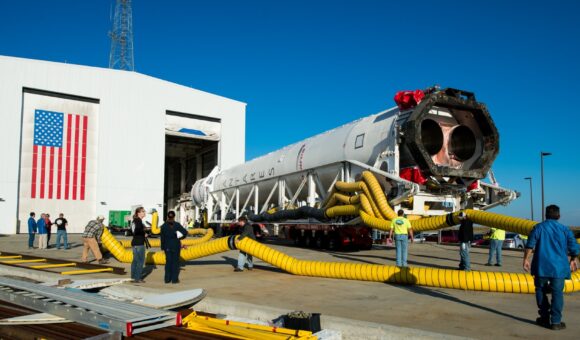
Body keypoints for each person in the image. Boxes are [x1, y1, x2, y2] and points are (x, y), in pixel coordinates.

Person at [523, 205, 579, 330]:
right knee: (557, 293)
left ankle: (543, 318)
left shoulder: (538, 228)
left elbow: (530, 245)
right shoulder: (565, 229)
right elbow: (574, 247)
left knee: (540, 290)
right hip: (559, 268)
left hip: (541, 266)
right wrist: (573, 259)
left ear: (545, 215)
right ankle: (556, 322)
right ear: (558, 216)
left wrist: (526, 259)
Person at [160, 210, 188, 284]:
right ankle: (174, 280)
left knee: (168, 262)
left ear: (167, 217)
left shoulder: (163, 226)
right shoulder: (177, 225)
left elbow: (162, 238)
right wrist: (180, 238)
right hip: (175, 245)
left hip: (167, 246)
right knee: (175, 263)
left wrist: (162, 248)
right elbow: (185, 232)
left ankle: (167, 279)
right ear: (174, 216)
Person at [130, 207, 147, 283]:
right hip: (139, 243)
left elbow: (134, 231)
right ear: (138, 213)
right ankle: (137, 278)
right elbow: (137, 230)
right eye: (143, 211)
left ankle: (133, 277)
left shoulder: (134, 220)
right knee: (140, 261)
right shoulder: (138, 221)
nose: (144, 213)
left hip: (135, 243)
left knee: (135, 261)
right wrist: (144, 233)